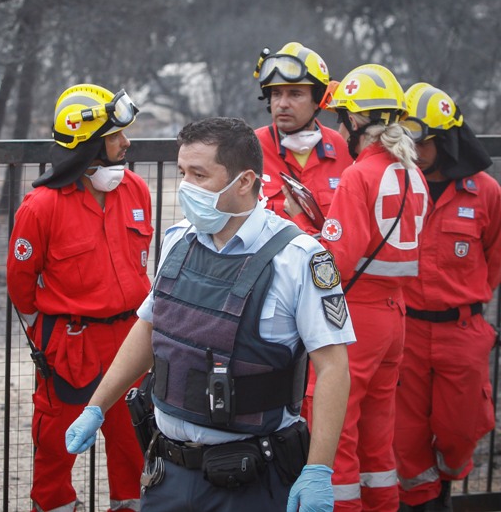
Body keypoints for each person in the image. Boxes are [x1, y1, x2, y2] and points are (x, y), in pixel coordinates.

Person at [66, 116, 355, 511]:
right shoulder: (177, 240)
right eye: (183, 172)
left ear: (244, 181)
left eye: (200, 175)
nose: (186, 186)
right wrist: (96, 406)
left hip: (252, 477)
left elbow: (334, 368)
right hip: (168, 471)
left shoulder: (298, 258)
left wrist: (318, 469)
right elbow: (151, 326)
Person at [284, 64, 429, 511]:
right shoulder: (413, 174)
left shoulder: (359, 174)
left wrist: (295, 225)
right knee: (378, 438)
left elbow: (334, 263)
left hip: (355, 320)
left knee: (337, 431)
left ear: (357, 121)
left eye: (343, 115)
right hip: (395, 315)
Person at [6, 83, 152, 512]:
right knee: (54, 450)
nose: (125, 143)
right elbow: (20, 284)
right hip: (70, 345)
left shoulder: (137, 191)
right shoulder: (41, 207)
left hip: (131, 341)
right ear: (86, 142)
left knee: (134, 447)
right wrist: (47, 330)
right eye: (114, 136)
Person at [393, 83, 501, 511]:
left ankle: (447, 479)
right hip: (407, 330)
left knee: (460, 428)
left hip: (462, 330)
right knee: (406, 435)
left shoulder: (486, 192)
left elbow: (494, 259)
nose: (413, 151)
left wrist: (468, 302)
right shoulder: (397, 184)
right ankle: (423, 502)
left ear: (447, 141)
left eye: (422, 143)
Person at [254, 42, 352, 229]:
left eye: (295, 94)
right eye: (276, 94)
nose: (282, 103)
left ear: (318, 100)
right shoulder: (250, 149)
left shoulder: (341, 149)